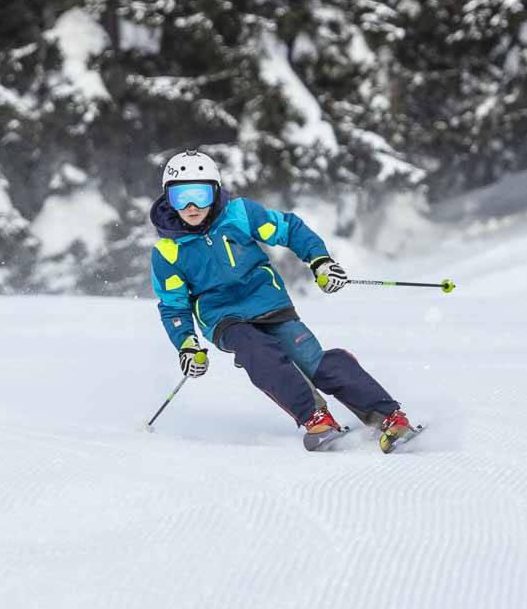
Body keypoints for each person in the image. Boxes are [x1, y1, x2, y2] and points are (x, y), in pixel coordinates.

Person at [148, 150, 416, 451]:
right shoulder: (167, 250)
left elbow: (289, 229)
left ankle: (390, 416)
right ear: (168, 199)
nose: (192, 206)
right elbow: (173, 305)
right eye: (181, 197)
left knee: (314, 362)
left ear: (216, 191)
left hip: (269, 304)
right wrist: (187, 344)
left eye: (200, 194)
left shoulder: (240, 215)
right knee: (256, 351)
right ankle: (316, 417)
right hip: (224, 318)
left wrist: (320, 261)